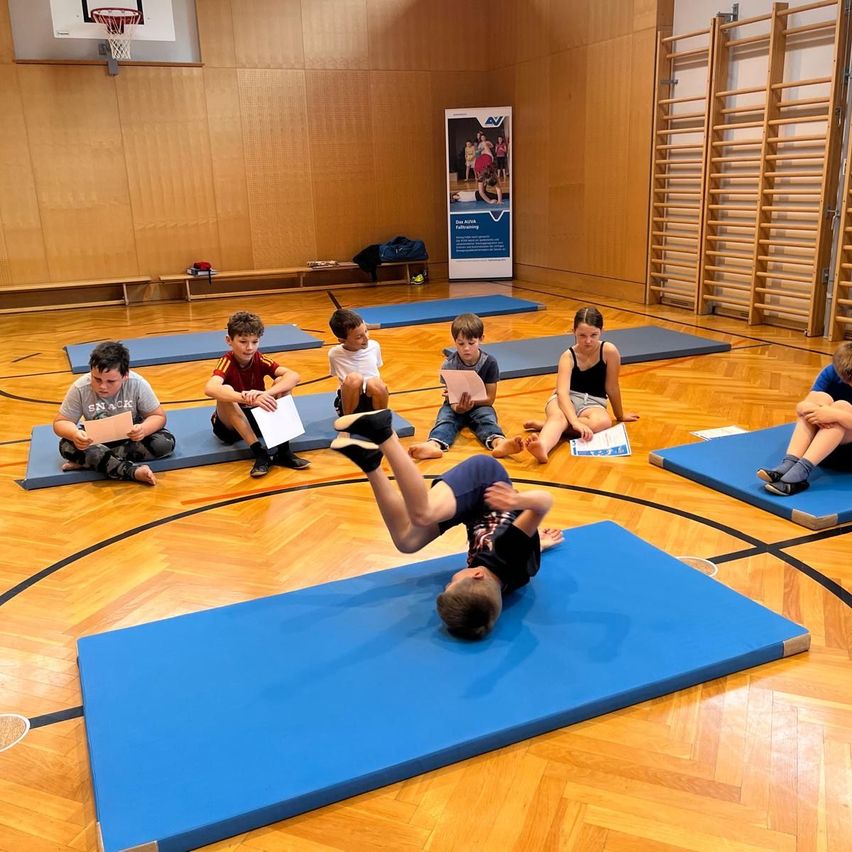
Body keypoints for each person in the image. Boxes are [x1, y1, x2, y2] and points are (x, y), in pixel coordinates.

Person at [329, 408, 563, 638]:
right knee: (423, 514)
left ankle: (370, 463)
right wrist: (516, 500)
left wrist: (539, 543)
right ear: (477, 575)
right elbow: (544, 502)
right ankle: (384, 432)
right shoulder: (510, 552)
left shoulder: (505, 583)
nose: (450, 580)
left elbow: (527, 553)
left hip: (471, 511)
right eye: (452, 582)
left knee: (407, 542)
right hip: (486, 482)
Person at [522, 306, 640, 463]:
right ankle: (542, 447)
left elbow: (612, 387)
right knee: (559, 416)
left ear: (602, 331)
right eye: (582, 335)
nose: (588, 341)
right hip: (565, 400)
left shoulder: (609, 351)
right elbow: (562, 393)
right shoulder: (568, 356)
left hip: (593, 403)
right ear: (574, 332)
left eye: (594, 335)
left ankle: (549, 426)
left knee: (603, 422)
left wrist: (620, 415)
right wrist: (575, 422)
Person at [53, 341, 175, 486]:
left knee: (164, 442)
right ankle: (132, 472)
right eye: (97, 379)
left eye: (111, 381)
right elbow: (60, 422)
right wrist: (75, 434)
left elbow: (158, 416)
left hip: (131, 439)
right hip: (95, 441)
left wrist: (143, 429)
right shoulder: (80, 388)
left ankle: (92, 461)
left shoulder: (137, 384)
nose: (102, 386)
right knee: (66, 446)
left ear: (125, 376)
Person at [204, 311, 310, 477]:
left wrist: (265, 394)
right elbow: (210, 388)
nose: (249, 348)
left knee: (281, 382)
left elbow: (294, 376)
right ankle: (260, 453)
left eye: (255, 342)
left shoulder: (260, 359)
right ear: (229, 340)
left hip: (255, 419)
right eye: (243, 342)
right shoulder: (227, 361)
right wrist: (248, 399)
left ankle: (283, 451)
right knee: (225, 390)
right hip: (229, 426)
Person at [408, 313, 523, 460]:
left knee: (487, 419)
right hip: (455, 405)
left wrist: (471, 403)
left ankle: (499, 442)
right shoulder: (449, 364)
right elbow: (451, 399)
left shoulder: (489, 363)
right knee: (445, 419)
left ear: (481, 339)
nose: (466, 348)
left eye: (471, 343)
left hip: (481, 405)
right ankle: (433, 444)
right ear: (455, 341)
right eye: (461, 344)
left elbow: (490, 399)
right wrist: (459, 407)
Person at [757, 341, 852, 495]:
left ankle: (800, 473)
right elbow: (802, 406)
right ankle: (790, 463)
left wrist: (835, 415)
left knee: (842, 407)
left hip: (847, 455)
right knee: (819, 398)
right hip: (822, 450)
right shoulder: (831, 372)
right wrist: (816, 412)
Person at [328, 308, 389, 416]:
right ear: (342, 340)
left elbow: (376, 368)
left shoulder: (374, 346)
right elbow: (340, 378)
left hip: (372, 399)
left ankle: (382, 420)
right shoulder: (334, 354)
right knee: (354, 378)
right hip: (350, 401)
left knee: (376, 382)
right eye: (359, 337)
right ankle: (347, 421)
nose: (366, 338)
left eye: (366, 331)